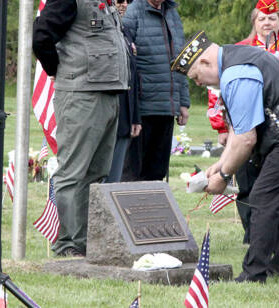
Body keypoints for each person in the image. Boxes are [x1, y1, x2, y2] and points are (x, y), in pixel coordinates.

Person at [172, 31, 279, 283]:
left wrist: (224, 177)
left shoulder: (236, 73)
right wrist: (221, 164)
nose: (199, 84)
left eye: (196, 77)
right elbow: (239, 126)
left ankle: (253, 273)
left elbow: (246, 138)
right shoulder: (239, 61)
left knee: (263, 196)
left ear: (204, 62)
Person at [207, 0, 279, 243]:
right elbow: (216, 93)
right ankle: (253, 234)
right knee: (247, 183)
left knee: (277, 187)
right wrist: (221, 126)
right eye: (262, 18)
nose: (267, 23)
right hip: (246, 128)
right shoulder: (238, 50)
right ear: (254, 22)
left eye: (272, 18)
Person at [32, 0, 129, 257]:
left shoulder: (109, 3)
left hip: (108, 91)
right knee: (74, 171)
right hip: (80, 93)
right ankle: (67, 244)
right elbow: (41, 36)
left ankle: (86, 242)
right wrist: (57, 70)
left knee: (97, 172)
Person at [121, 0, 190, 181]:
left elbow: (181, 59)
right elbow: (126, 62)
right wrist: (132, 107)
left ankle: (153, 209)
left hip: (167, 108)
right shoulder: (132, 13)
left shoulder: (172, 13)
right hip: (142, 109)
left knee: (157, 173)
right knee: (132, 174)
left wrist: (183, 102)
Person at [106, 0, 142, 183]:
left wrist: (135, 116)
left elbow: (133, 78)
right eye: (120, 0)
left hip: (124, 118)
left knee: (114, 180)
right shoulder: (99, 31)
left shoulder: (125, 32)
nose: (124, 4)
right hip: (103, 116)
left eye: (128, 0)